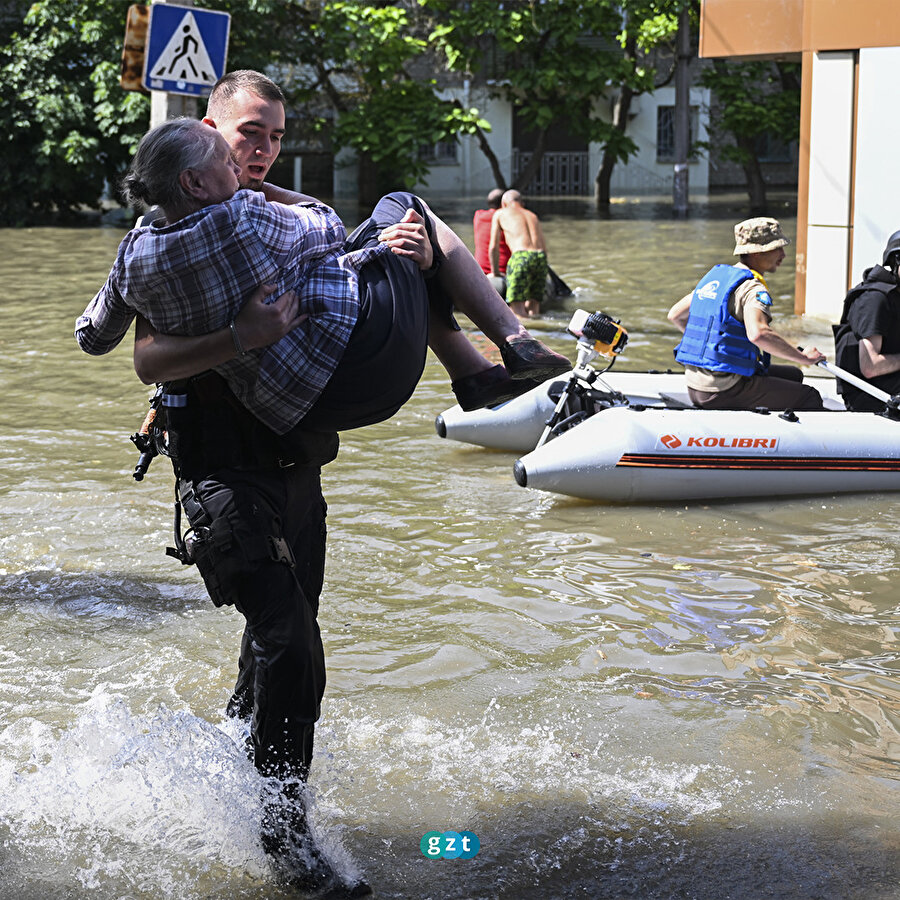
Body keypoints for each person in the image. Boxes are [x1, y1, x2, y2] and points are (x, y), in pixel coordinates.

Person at [76, 73, 570, 897]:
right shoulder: (168, 232)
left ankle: (246, 774)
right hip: (220, 466)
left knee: (280, 639)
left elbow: (328, 266)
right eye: (247, 136)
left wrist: (398, 259)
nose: (262, 150)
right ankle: (285, 834)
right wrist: (242, 333)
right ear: (208, 138)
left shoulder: (277, 213)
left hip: (296, 459)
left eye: (273, 136)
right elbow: (140, 356)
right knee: (291, 640)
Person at [76, 119, 571, 433]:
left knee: (403, 252)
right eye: (231, 159)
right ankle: (507, 344)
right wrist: (266, 188)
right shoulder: (247, 214)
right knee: (403, 208)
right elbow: (330, 225)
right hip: (363, 358)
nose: (245, 164)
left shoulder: (133, 256)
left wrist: (154, 296)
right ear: (195, 183)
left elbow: (94, 338)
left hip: (291, 413)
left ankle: (478, 373)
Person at [666, 217, 826, 411]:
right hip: (724, 389)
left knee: (794, 376)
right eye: (777, 248)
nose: (783, 254)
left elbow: (676, 315)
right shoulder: (752, 289)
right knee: (809, 396)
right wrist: (805, 358)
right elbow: (759, 334)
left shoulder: (717, 280)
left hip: (696, 384)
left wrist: (712, 348)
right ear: (757, 253)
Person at [832, 230, 900, 411]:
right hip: (868, 395)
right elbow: (871, 366)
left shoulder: (895, 294)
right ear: (896, 261)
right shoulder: (875, 299)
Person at [489, 189, 549, 319]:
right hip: (540, 257)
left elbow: (494, 246)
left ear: (504, 203)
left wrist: (496, 273)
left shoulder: (500, 213)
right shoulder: (532, 215)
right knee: (534, 307)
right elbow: (544, 248)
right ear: (522, 203)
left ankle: (523, 337)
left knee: (517, 311)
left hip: (521, 257)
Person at [473, 188, 510, 294]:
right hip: (502, 272)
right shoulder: (507, 219)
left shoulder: (478, 215)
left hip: (481, 271)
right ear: (504, 203)